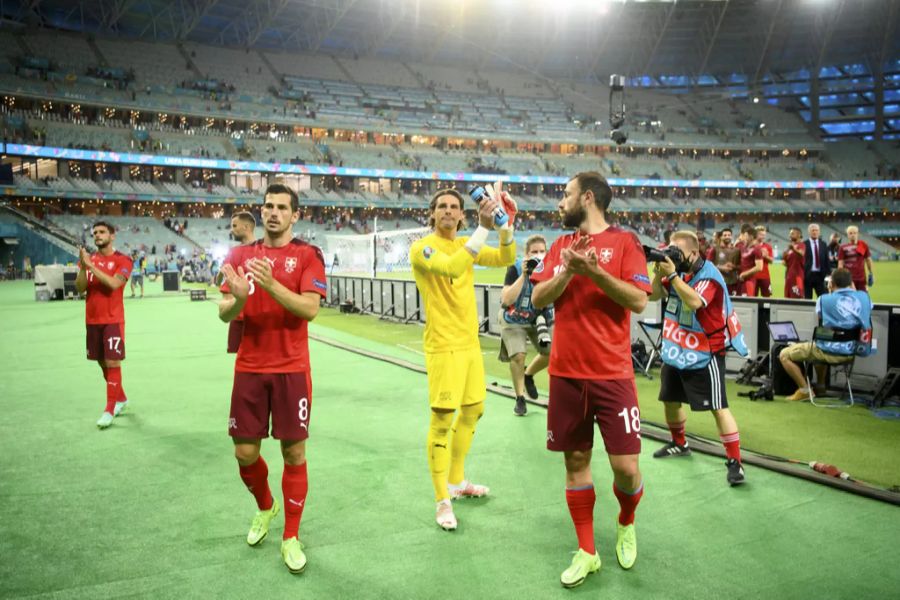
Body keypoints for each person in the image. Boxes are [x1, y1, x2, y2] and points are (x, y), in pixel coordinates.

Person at [531, 172, 650, 588]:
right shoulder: (561, 245)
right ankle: (587, 551)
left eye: (564, 195)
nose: (559, 203)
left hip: (612, 374)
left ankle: (626, 518)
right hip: (565, 374)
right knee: (576, 462)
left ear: (587, 197)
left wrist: (594, 272)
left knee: (626, 469)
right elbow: (537, 299)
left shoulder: (625, 243)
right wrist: (568, 271)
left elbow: (638, 300)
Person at [217, 184, 327, 574]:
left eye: (282, 207)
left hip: (292, 369)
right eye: (268, 206)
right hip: (249, 367)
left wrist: (270, 285)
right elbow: (224, 313)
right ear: (261, 212)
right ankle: (266, 506)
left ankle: (291, 536)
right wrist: (242, 298)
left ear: (295, 215)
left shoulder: (308, 255)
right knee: (244, 454)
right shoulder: (239, 255)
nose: (274, 212)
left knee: (293, 454)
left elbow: (309, 310)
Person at [409, 185, 517, 531]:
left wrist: (506, 225)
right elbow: (454, 269)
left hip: (469, 345)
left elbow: (506, 258)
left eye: (454, 206)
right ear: (432, 213)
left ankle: (456, 482)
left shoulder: (463, 244)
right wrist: (485, 227)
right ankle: (442, 499)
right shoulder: (421, 248)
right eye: (441, 206)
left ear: (461, 214)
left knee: (473, 411)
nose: (448, 211)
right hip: (443, 346)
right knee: (442, 420)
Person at [648, 231, 748, 486]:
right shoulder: (677, 270)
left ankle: (735, 462)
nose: (674, 255)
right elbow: (654, 294)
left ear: (693, 253)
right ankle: (679, 443)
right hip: (677, 346)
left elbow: (694, 302)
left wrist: (671, 275)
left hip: (706, 350)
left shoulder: (710, 275)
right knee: (670, 399)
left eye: (677, 251)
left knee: (718, 406)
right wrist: (659, 274)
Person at [778, 268, 874, 401]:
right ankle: (821, 386)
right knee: (819, 346)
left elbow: (822, 322)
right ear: (851, 283)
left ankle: (804, 390)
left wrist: (830, 293)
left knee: (784, 354)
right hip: (851, 352)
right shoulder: (865, 298)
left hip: (827, 351)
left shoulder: (823, 300)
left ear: (831, 284)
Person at [74, 221, 133, 429]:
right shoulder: (90, 260)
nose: (97, 235)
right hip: (92, 320)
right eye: (95, 233)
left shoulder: (123, 260)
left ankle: (109, 410)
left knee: (113, 362)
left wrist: (90, 266)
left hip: (113, 320)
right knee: (102, 363)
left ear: (112, 235)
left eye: (102, 232)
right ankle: (122, 399)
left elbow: (115, 284)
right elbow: (80, 288)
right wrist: (83, 267)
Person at [499, 234, 553, 416]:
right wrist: (524, 275)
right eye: (534, 252)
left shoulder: (551, 269)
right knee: (519, 356)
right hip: (513, 319)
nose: (539, 255)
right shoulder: (515, 268)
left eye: (542, 251)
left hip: (536, 318)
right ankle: (520, 398)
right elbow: (506, 299)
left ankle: (528, 375)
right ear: (526, 254)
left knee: (551, 353)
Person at [226, 210, 257, 354]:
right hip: (240, 319)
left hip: (262, 318)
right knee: (242, 359)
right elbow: (226, 294)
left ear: (246, 227)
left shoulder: (266, 250)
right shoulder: (233, 253)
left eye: (234, 226)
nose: (231, 230)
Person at [838, 225, 874, 292]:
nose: (853, 235)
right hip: (848, 279)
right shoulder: (843, 247)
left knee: (863, 298)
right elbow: (840, 264)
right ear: (847, 235)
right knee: (850, 299)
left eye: (855, 233)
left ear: (858, 234)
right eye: (850, 233)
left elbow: (868, 260)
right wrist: (841, 277)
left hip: (861, 279)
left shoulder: (863, 245)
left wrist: (871, 273)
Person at [803, 223, 830, 299]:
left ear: (819, 232)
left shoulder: (823, 244)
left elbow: (826, 260)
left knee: (823, 297)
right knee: (807, 298)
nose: (814, 232)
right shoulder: (804, 244)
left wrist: (829, 274)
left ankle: (821, 311)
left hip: (820, 275)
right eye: (813, 230)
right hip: (808, 275)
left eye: (816, 230)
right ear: (809, 232)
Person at [711, 227, 740, 295]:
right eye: (725, 235)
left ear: (731, 237)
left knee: (733, 303)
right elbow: (708, 265)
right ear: (721, 237)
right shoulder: (715, 249)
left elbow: (741, 266)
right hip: (718, 282)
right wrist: (721, 267)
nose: (727, 237)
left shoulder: (737, 250)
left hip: (733, 283)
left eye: (729, 235)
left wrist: (734, 266)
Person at [736, 224, 763, 296]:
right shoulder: (744, 247)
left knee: (746, 304)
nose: (743, 238)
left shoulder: (756, 249)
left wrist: (744, 274)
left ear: (751, 237)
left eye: (745, 236)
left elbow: (759, 267)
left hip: (749, 281)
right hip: (740, 280)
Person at [782, 226, 806, 299]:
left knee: (797, 297)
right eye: (790, 233)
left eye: (792, 233)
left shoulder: (801, 245)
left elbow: (802, 253)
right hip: (788, 276)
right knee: (787, 297)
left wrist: (793, 249)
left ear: (798, 235)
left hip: (797, 276)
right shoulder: (789, 248)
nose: (790, 235)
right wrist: (784, 258)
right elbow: (786, 263)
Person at [753, 225, 773, 297]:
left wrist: (765, 256)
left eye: (764, 235)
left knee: (767, 298)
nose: (763, 236)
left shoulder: (768, 247)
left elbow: (771, 261)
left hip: (765, 276)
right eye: (761, 234)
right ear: (755, 234)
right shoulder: (751, 246)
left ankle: (765, 309)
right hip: (752, 276)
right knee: (752, 298)